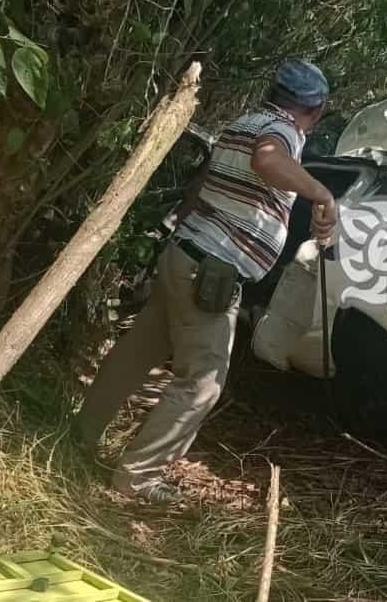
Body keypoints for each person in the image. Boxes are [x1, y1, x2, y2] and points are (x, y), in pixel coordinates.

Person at [74, 59, 336, 503]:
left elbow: (203, 184)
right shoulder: (283, 132)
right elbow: (268, 160)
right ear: (317, 108)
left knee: (135, 353)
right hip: (211, 270)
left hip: (185, 254)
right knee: (203, 383)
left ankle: (81, 434)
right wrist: (322, 193)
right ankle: (138, 478)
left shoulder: (244, 121)